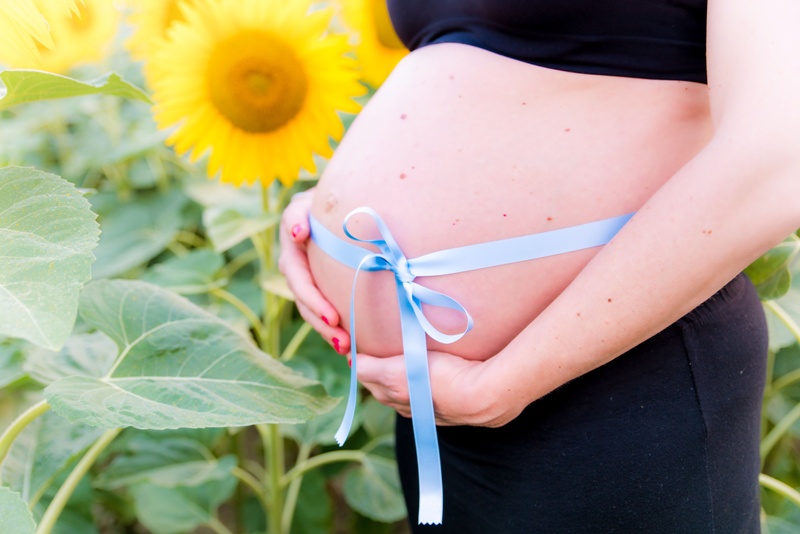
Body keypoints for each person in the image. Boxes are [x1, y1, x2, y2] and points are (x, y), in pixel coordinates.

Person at [279, 1, 800, 532]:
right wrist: (325, 213)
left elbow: (781, 155)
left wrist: (499, 385)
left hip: (619, 388)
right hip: (437, 409)